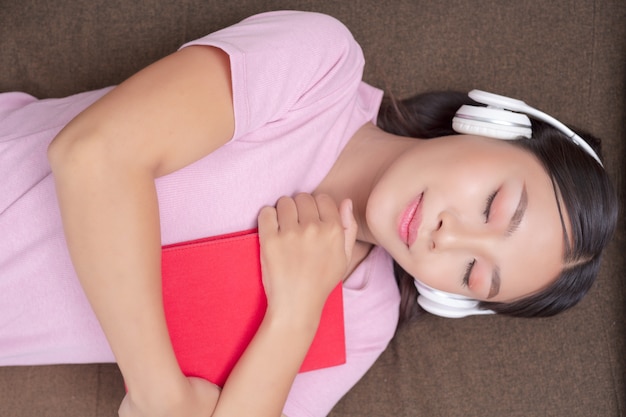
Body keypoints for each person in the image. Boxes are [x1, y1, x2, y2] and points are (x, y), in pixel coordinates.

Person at [0, 10, 617, 417]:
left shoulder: (362, 319)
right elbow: (92, 155)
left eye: (472, 274)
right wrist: (162, 396)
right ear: (491, 124)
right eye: (493, 205)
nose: (447, 236)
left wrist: (294, 313)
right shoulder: (319, 70)